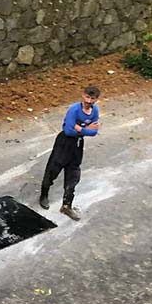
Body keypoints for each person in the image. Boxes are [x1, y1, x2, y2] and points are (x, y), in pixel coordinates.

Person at [39, 85, 101, 221]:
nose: (89, 101)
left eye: (92, 99)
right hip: (64, 142)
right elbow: (68, 130)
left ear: (96, 99)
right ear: (83, 95)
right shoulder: (74, 109)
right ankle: (44, 194)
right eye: (87, 97)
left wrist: (79, 128)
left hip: (77, 144)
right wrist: (85, 129)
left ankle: (66, 206)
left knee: (73, 174)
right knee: (53, 169)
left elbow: (94, 132)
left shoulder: (95, 110)